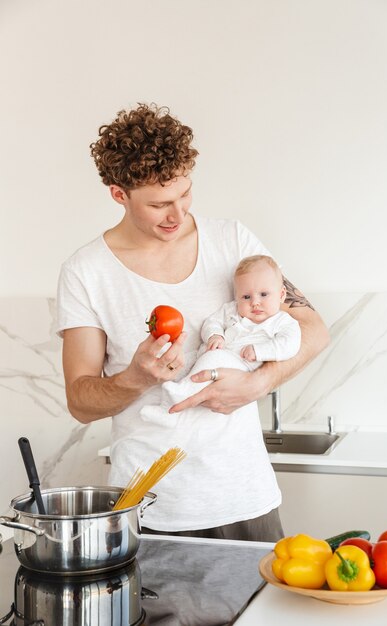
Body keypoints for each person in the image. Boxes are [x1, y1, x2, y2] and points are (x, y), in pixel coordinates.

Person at [57, 103, 330, 542]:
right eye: (159, 204)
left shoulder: (232, 241)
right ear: (118, 194)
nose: (177, 214)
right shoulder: (86, 272)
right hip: (153, 510)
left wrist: (258, 384)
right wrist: (134, 378)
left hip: (245, 496)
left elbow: (312, 328)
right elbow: (79, 400)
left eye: (185, 194)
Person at [142, 254, 302, 415]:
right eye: (246, 297)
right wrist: (215, 335)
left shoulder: (283, 322)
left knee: (212, 360)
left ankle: (169, 407)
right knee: (185, 360)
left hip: (238, 363)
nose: (255, 302)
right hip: (209, 353)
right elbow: (212, 322)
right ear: (237, 296)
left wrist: (260, 351)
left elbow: (290, 344)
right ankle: (166, 391)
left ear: (281, 295)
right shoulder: (231, 309)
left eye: (264, 294)